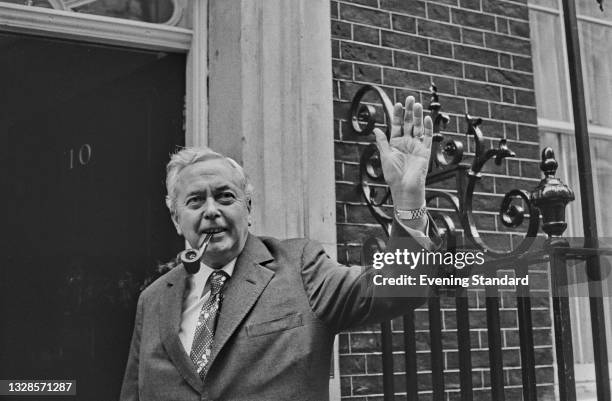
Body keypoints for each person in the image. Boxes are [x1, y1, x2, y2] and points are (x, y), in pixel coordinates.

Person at [120, 97, 437, 401]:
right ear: (177, 219)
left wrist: (408, 200)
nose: (211, 210)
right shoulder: (153, 299)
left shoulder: (302, 268)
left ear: (249, 208)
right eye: (195, 200)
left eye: (225, 197)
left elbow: (402, 287)